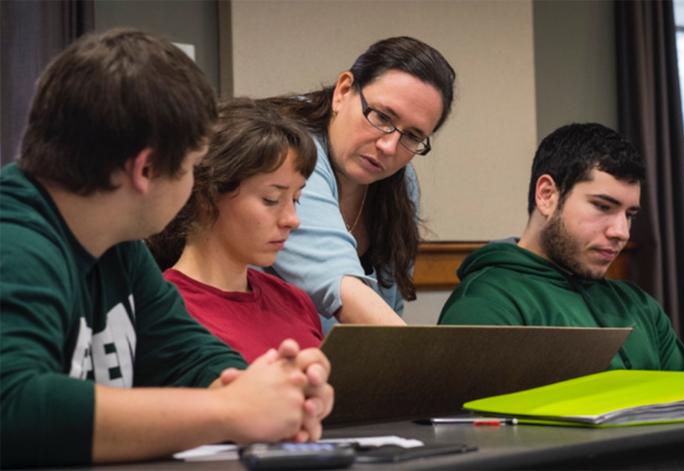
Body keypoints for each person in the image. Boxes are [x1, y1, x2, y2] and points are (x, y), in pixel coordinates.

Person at [0, 29, 333, 468]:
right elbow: (13, 408)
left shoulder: (117, 247)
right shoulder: (15, 243)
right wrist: (232, 411)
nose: (194, 183)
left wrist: (276, 391)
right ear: (147, 168)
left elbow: (187, 357)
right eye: (193, 167)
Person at [438, 123, 684, 371]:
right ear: (547, 195)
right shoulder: (486, 304)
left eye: (629, 215)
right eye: (603, 207)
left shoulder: (641, 306)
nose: (621, 232)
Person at [261, 36, 456, 330]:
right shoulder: (291, 152)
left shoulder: (402, 183)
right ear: (342, 91)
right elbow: (339, 286)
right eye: (381, 116)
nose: (390, 146)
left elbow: (390, 305)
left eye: (412, 136)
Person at [148, 98, 323, 362]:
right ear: (207, 196)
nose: (292, 219)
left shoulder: (293, 300)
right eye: (271, 199)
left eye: (296, 199)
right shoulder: (166, 310)